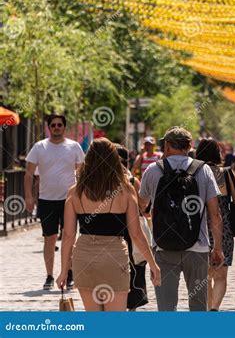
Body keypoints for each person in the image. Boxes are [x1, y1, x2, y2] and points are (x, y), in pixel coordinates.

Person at [56, 138, 160, 311]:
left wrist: (64, 270)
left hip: (84, 256)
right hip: (115, 256)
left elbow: (68, 235)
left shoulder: (75, 191)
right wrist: (153, 263)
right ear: (114, 160)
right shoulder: (125, 190)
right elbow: (136, 233)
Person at [139, 126, 224, 311]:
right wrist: (217, 247)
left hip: (164, 245)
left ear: (167, 145)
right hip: (198, 246)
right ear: (190, 146)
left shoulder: (153, 170)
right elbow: (215, 213)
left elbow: (142, 204)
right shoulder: (204, 170)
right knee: (199, 305)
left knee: (167, 305)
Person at [24, 114, 85, 290]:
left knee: (69, 237)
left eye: (59, 125)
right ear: (49, 128)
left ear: (64, 127)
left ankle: (69, 272)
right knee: (49, 238)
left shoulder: (74, 147)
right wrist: (28, 196)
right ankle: (49, 275)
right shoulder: (39, 147)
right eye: (53, 125)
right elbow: (28, 174)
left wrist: (82, 196)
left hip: (69, 201)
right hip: (46, 200)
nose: (56, 127)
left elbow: (81, 174)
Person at [196, 138, 235, 311]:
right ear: (217, 153)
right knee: (221, 275)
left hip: (198, 227)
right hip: (224, 227)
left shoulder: (194, 172)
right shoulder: (226, 173)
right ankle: (214, 309)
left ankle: (207, 309)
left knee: (204, 275)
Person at [116, 144, 149, 311]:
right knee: (135, 266)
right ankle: (133, 305)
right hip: (131, 231)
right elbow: (144, 208)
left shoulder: (100, 182)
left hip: (112, 232)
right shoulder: (131, 181)